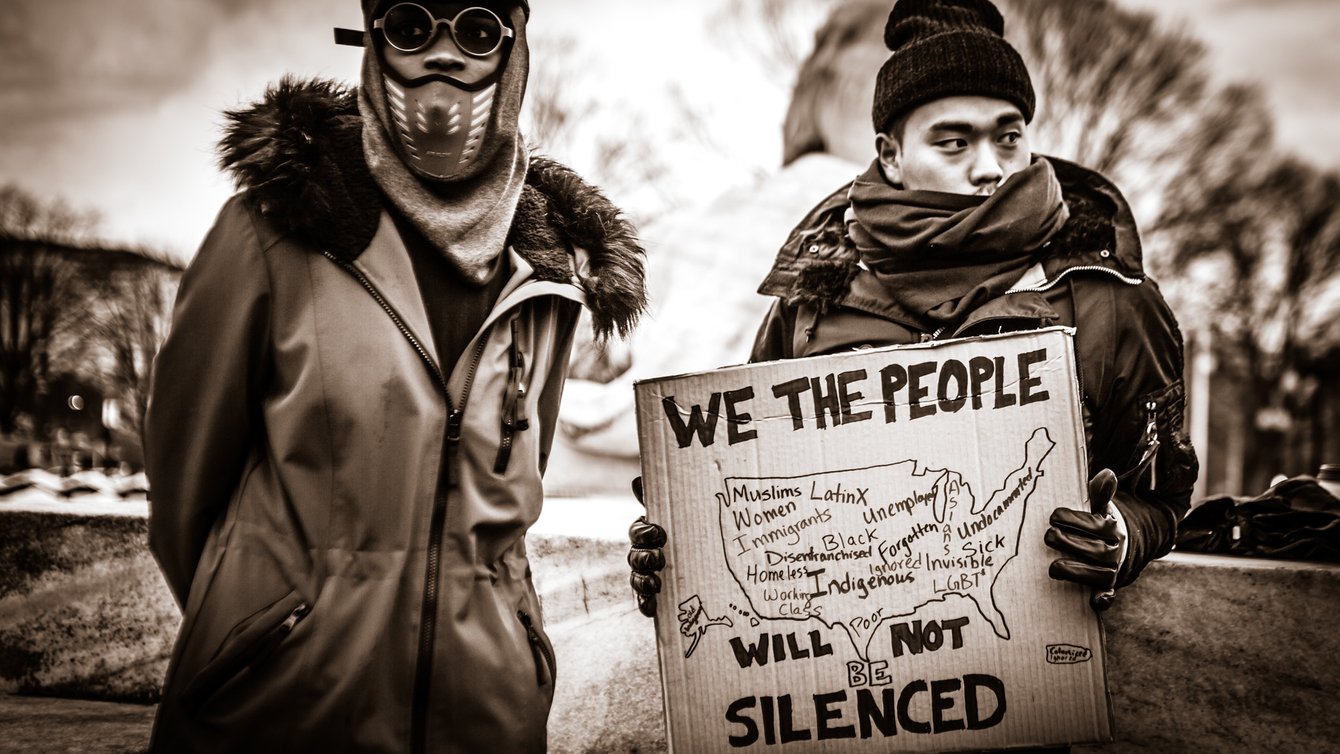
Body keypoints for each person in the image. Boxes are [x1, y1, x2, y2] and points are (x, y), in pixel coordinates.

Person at [144, 1, 647, 751]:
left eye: (476, 31)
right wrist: (274, 633)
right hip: (279, 717)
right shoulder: (269, 235)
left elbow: (508, 500)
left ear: (512, 53)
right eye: (413, 25)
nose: (444, 56)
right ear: (374, 39)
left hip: (482, 718)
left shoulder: (548, 279)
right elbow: (187, 498)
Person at [630, 0, 1197, 626]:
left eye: (1009, 136)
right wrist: (680, 540)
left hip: (1047, 683)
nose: (990, 168)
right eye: (953, 142)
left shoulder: (1110, 297)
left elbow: (1161, 499)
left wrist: (1118, 537)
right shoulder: (815, 295)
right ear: (891, 155)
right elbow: (747, 489)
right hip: (845, 686)